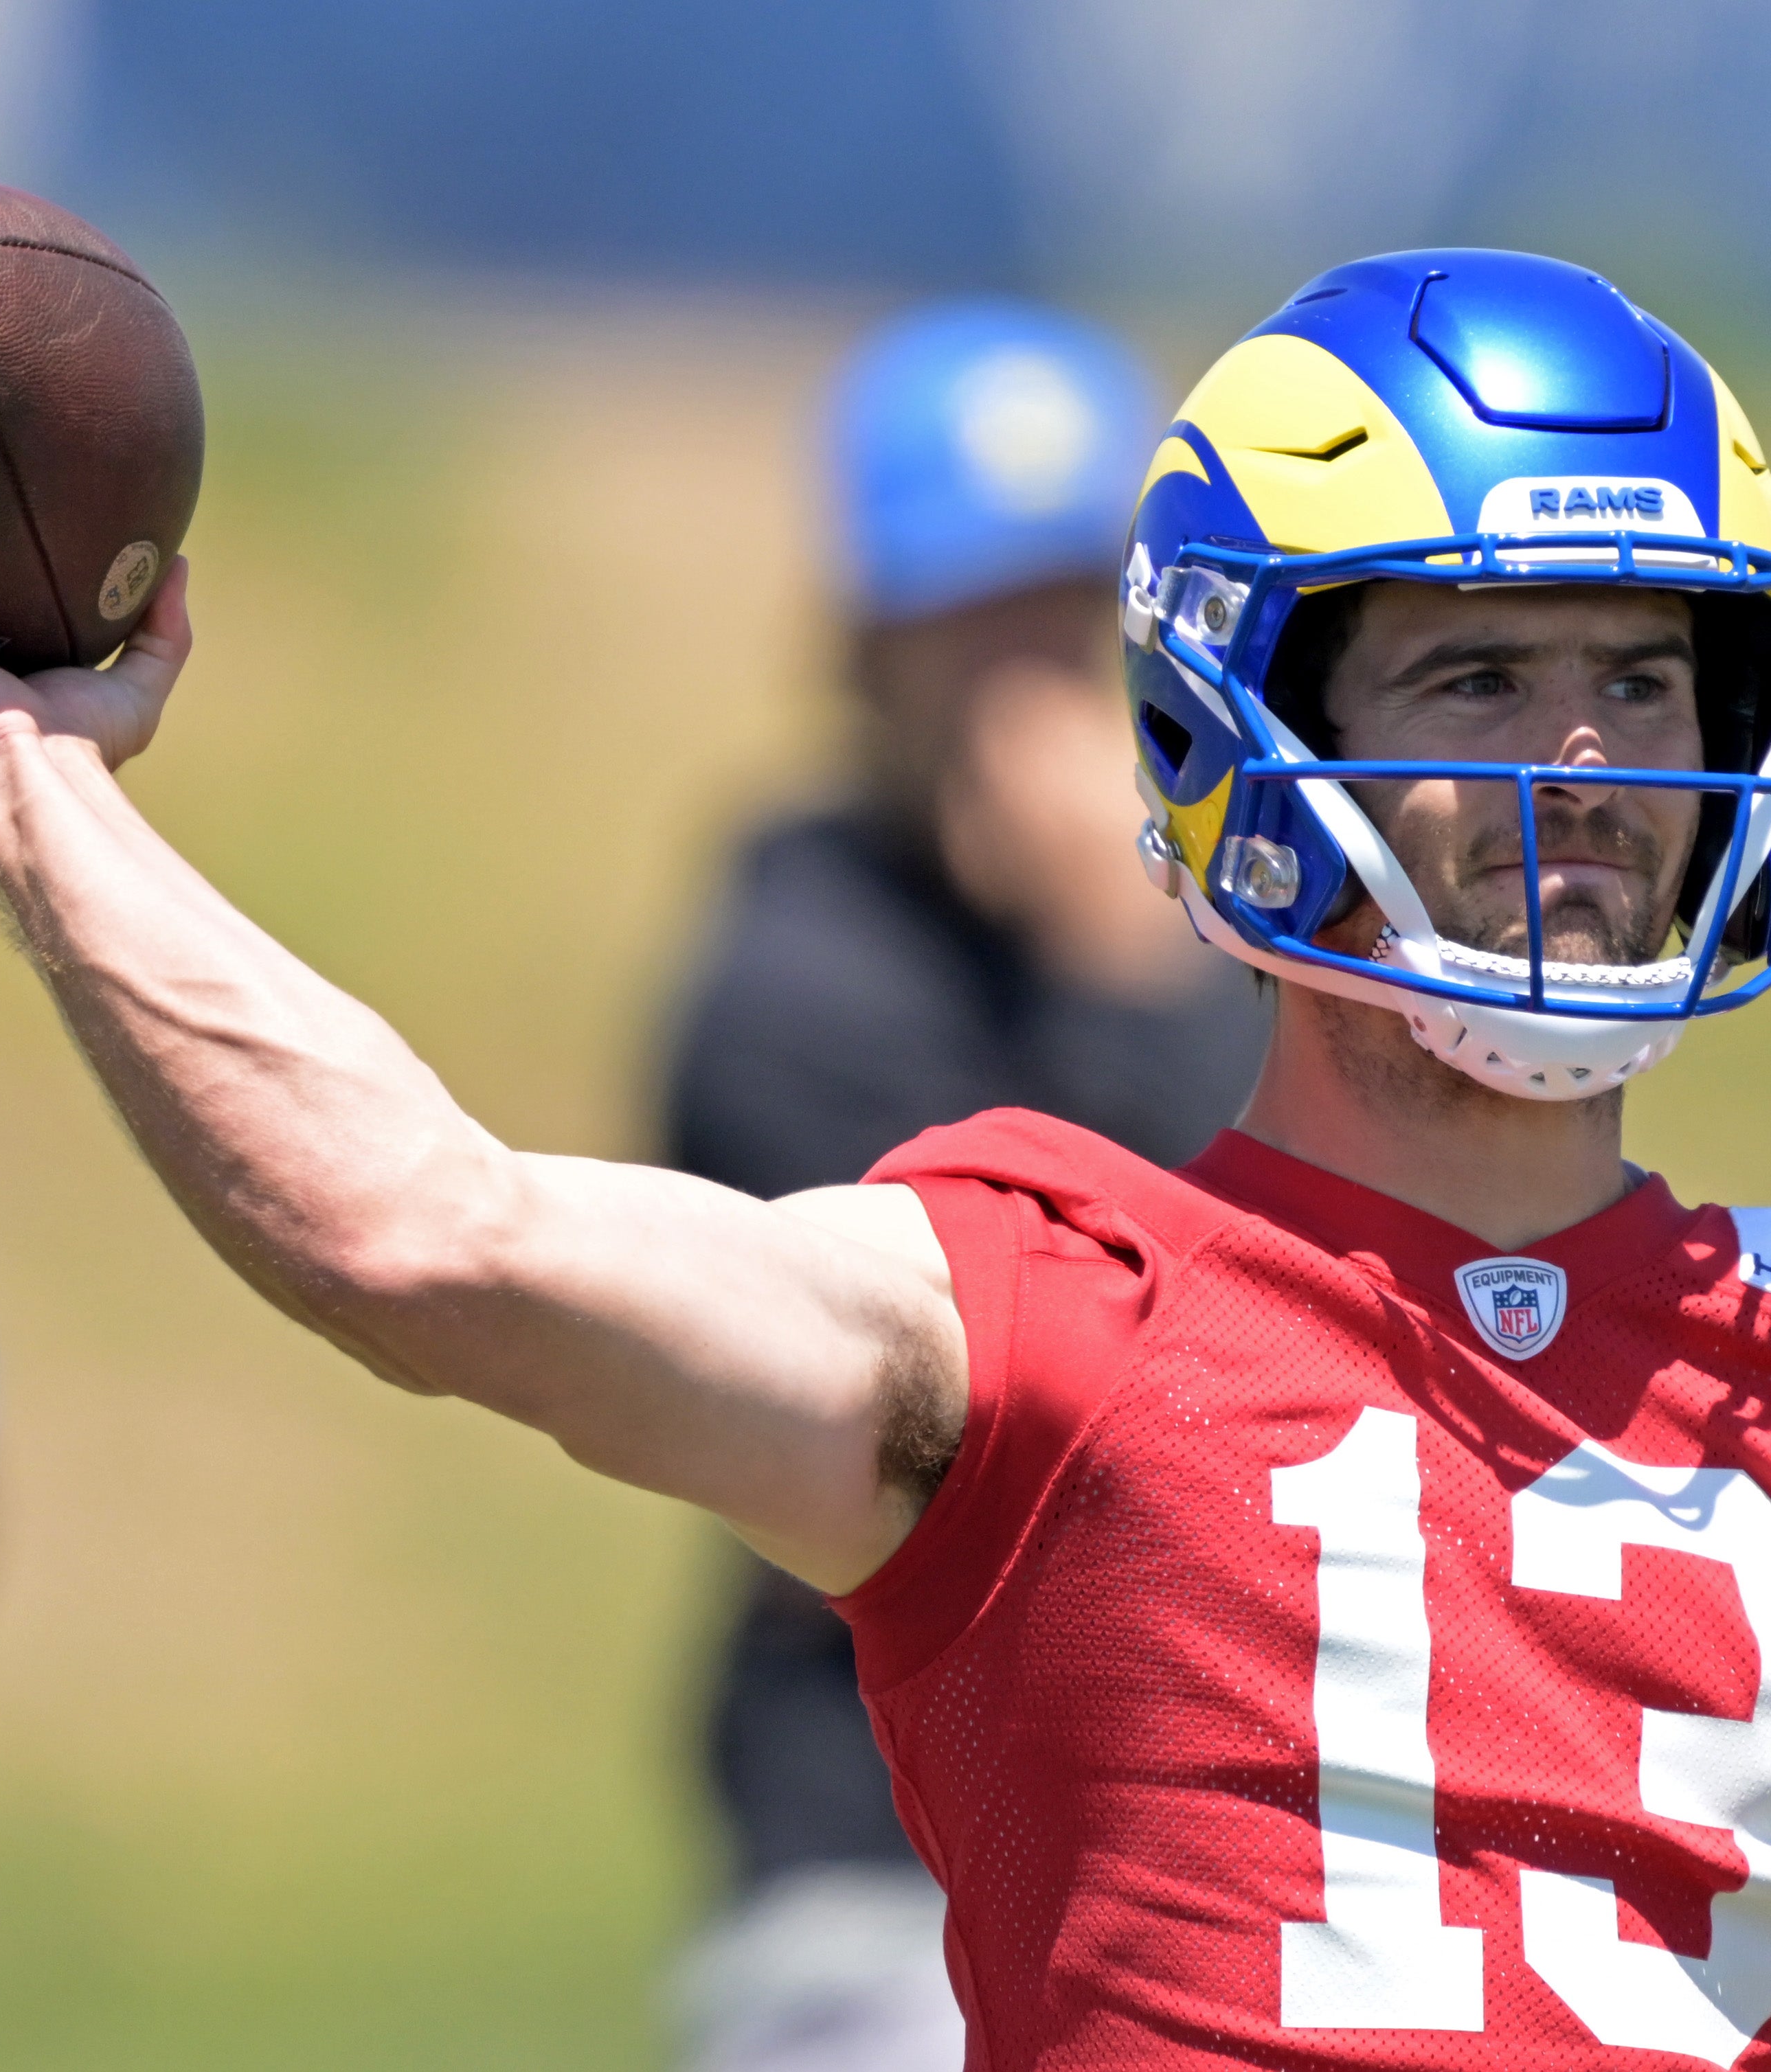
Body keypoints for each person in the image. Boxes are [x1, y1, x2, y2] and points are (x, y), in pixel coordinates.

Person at [0, 247, 1771, 2070]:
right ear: (1250, 729)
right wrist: (15, 777)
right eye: (1474, 668)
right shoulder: (1034, 1293)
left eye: (1638, 678)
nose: (1575, 765)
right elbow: (422, 1224)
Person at [659, 303, 1262, 2072]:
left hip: (1193, 1859)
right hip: (882, 1876)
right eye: (970, 630)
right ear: (860, 653)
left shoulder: (1227, 932)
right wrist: (1119, 972)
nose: (1033, 688)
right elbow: (1058, 1409)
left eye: (1064, 621)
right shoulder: (791, 982)